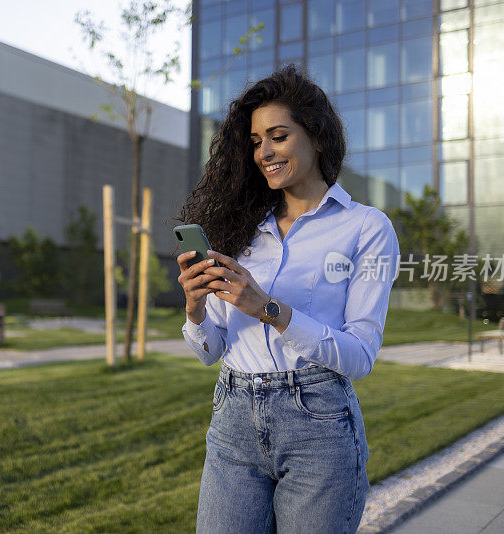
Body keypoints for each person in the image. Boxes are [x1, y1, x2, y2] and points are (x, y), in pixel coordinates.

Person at [176, 64, 399, 534]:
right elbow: (209, 350)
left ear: (316, 137)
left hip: (317, 424)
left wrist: (269, 309)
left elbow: (359, 357)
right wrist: (196, 309)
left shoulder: (366, 227)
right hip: (232, 419)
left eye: (277, 136)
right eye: (256, 142)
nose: (264, 152)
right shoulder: (240, 226)